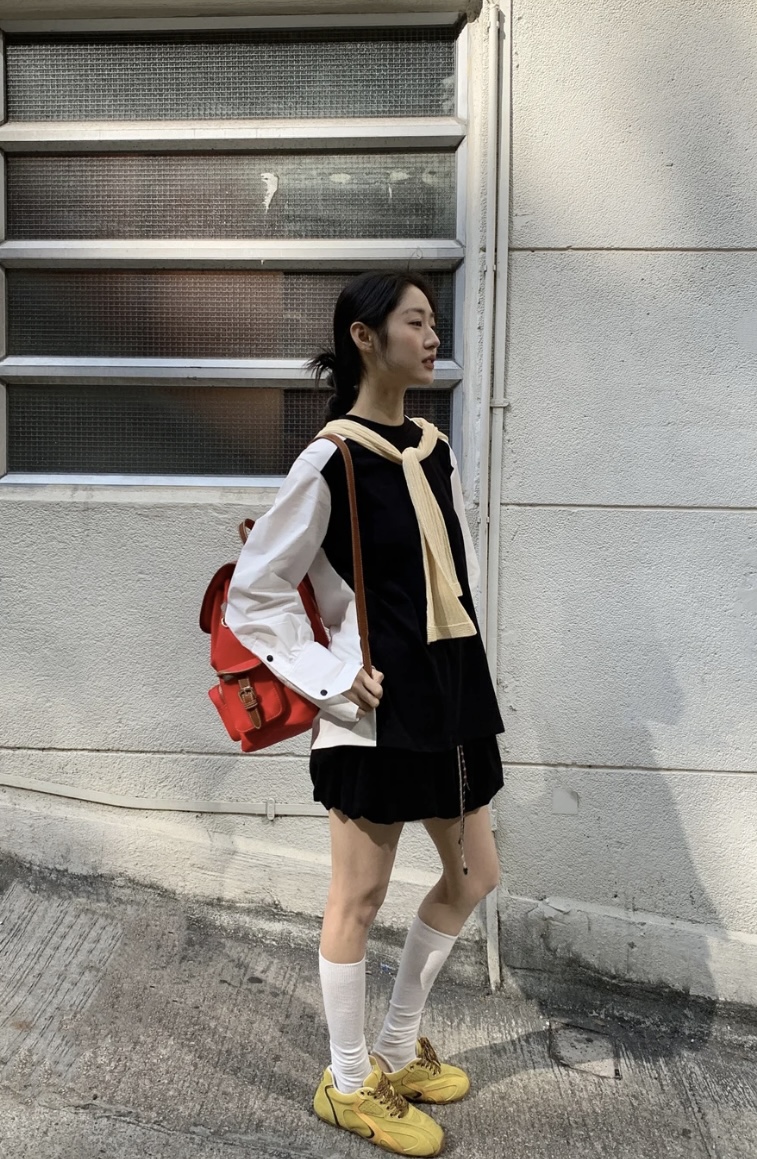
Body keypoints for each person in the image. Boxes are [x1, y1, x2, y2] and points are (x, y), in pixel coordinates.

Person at [225, 271, 504, 1157]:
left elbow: (451, 576)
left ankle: (396, 1046)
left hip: (452, 696)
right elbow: (254, 594)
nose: (432, 335)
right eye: (415, 321)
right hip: (374, 711)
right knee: (358, 896)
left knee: (475, 874)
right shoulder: (331, 460)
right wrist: (330, 677)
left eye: (434, 321)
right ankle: (348, 1082)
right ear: (364, 337)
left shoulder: (434, 447)